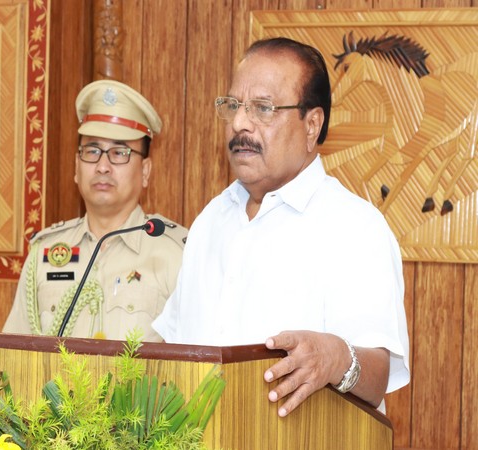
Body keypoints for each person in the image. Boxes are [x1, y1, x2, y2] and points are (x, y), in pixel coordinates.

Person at [152, 37, 410, 417]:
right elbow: (174, 347)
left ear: (312, 125)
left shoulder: (355, 228)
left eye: (263, 108)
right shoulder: (211, 220)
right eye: (234, 106)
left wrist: (336, 357)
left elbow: (376, 380)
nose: (240, 123)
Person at [4, 80, 187, 341]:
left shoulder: (176, 257)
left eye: (119, 152)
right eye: (92, 151)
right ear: (76, 167)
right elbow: (14, 354)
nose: (102, 166)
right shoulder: (44, 254)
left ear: (145, 172)